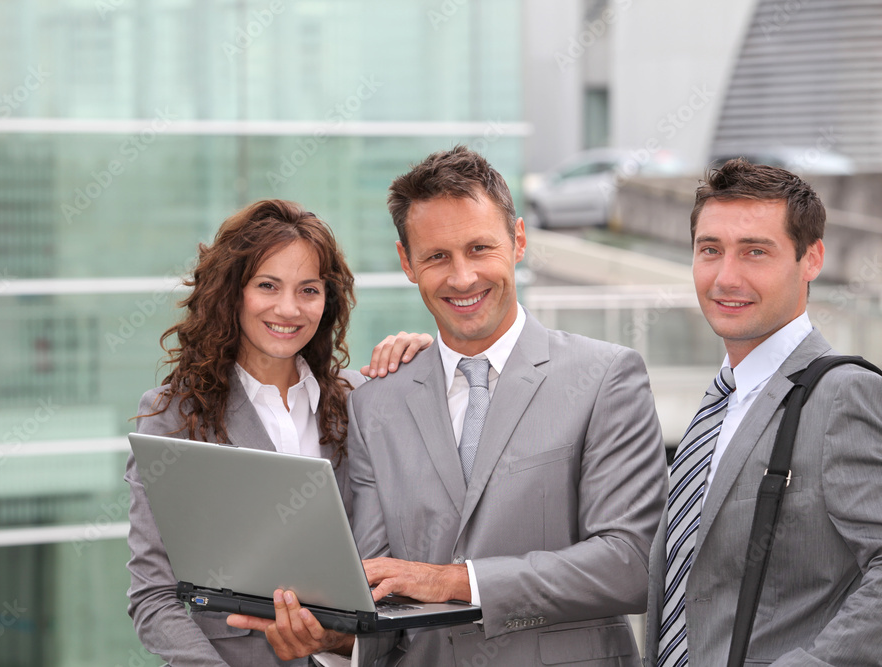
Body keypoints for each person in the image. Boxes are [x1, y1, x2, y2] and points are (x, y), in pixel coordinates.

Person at [230, 146, 669, 665]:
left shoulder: (606, 378)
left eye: (480, 248)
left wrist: (456, 582)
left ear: (519, 240)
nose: (462, 278)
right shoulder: (376, 404)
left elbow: (630, 565)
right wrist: (333, 638)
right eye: (437, 256)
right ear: (407, 263)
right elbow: (379, 590)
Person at [125, 199, 430, 667]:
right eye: (268, 285)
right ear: (232, 292)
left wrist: (428, 365)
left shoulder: (362, 401)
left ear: (327, 300)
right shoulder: (175, 414)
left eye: (308, 290)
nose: (288, 309)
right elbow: (153, 598)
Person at [643, 159, 882, 666]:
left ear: (811, 258)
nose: (726, 277)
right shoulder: (718, 402)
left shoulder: (844, 395)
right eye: (710, 250)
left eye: (755, 252)